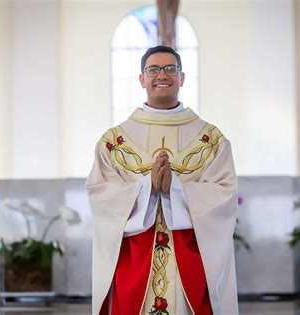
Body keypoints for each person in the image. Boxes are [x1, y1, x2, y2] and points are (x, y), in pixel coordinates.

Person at [86, 46, 238, 315]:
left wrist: (175, 189)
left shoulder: (212, 139)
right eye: (153, 69)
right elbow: (100, 195)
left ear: (182, 77)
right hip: (136, 260)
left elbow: (225, 193)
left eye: (170, 68)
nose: (162, 75)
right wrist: (147, 187)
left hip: (189, 260)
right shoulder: (113, 141)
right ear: (142, 79)